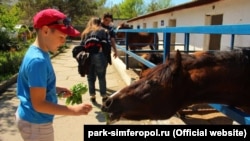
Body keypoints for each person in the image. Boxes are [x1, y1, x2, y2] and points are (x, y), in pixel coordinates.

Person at [15, 8, 92, 141]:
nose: (63, 42)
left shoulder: (38, 52)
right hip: (37, 124)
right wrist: (74, 110)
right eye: (61, 37)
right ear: (45, 31)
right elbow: (39, 104)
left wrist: (55, 89)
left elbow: (32, 85)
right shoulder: (38, 61)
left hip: (30, 118)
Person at [81, 17, 111, 103]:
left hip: (88, 56)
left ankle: (92, 96)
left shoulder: (85, 32)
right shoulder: (102, 30)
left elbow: (81, 45)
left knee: (90, 77)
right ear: (99, 23)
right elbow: (106, 44)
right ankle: (104, 96)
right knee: (101, 76)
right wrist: (106, 57)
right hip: (99, 55)